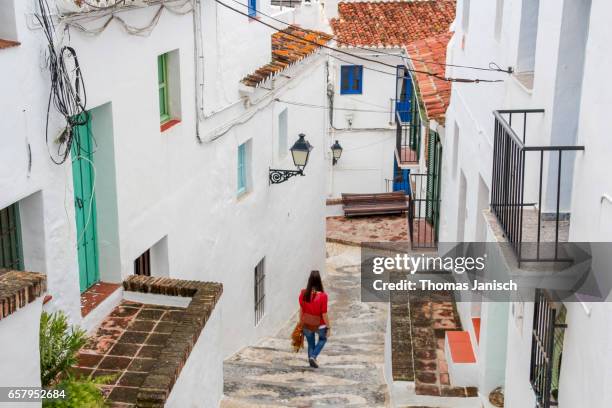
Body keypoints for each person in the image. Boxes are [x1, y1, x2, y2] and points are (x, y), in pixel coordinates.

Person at [299, 270, 331, 368]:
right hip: (320, 324)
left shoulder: (303, 293)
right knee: (323, 339)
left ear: (309, 281)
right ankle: (313, 357)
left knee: (311, 343)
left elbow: (301, 310)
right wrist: (329, 327)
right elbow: (324, 314)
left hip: (307, 323)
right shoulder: (323, 296)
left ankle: (311, 362)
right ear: (319, 281)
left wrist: (301, 323)